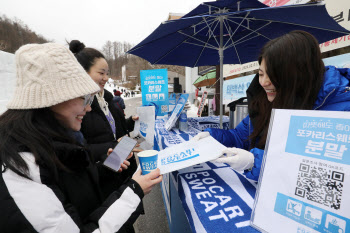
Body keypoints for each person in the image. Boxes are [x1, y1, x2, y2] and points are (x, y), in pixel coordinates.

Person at [0, 43, 162, 233]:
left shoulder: (60, 137)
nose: (88, 108)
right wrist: (134, 192)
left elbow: (77, 186)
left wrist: (107, 167)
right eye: (84, 98)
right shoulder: (22, 167)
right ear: (53, 98)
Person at [193, 30, 350, 181]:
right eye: (261, 74)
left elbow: (325, 173)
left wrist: (257, 163)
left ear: (299, 76)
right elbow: (241, 137)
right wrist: (212, 138)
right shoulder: (265, 100)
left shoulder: (340, 107)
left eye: (274, 76)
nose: (264, 82)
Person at [69, 40, 139, 199]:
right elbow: (76, 150)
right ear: (83, 72)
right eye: (101, 73)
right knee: (113, 215)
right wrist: (113, 145)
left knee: (126, 207)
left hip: (119, 165)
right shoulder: (76, 106)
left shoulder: (105, 99)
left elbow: (110, 129)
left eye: (107, 73)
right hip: (101, 176)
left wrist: (130, 122)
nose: (106, 78)